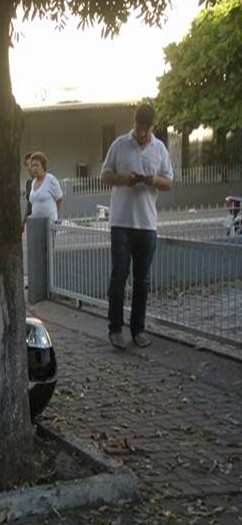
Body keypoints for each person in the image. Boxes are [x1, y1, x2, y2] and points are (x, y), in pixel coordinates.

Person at [102, 104, 173, 349]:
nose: (141, 133)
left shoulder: (160, 148)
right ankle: (115, 329)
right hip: (121, 222)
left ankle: (138, 329)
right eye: (138, 128)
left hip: (147, 224)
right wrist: (125, 180)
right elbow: (105, 174)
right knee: (119, 275)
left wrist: (154, 180)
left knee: (142, 280)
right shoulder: (119, 144)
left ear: (152, 126)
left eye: (146, 129)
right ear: (134, 123)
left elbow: (169, 182)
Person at [26, 152, 63, 223]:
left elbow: (59, 198)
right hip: (36, 223)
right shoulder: (33, 182)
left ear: (43, 166)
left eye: (37, 165)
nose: (34, 168)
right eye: (33, 165)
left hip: (49, 223)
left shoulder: (51, 180)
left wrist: (55, 213)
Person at [20, 153, 34, 230]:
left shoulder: (46, 180)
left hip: (44, 219)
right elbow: (29, 204)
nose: (29, 167)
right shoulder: (29, 183)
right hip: (31, 220)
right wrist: (23, 221)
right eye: (27, 165)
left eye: (31, 164)